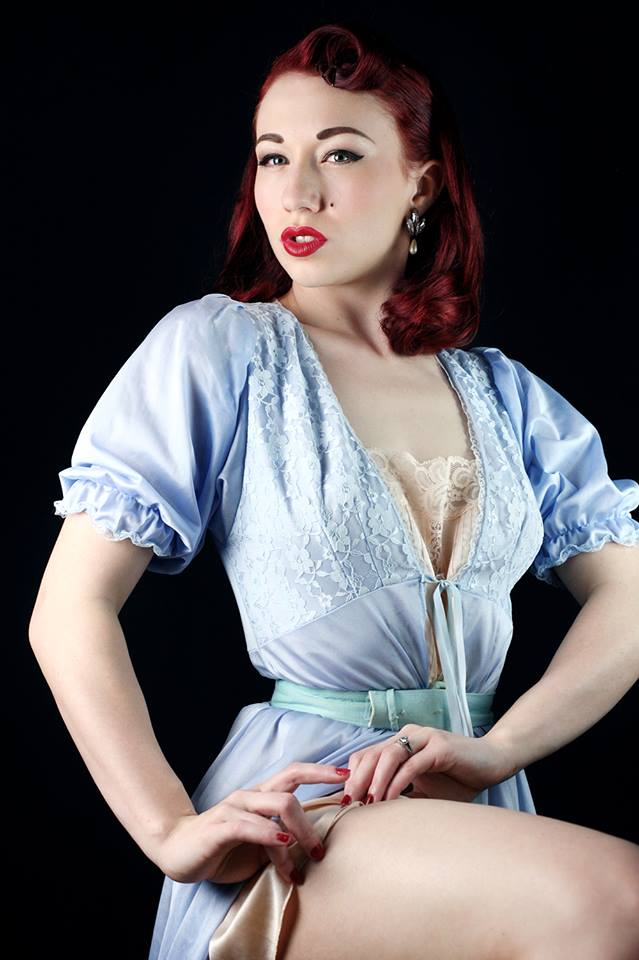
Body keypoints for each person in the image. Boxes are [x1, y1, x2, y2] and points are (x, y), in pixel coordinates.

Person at [30, 21, 639, 960]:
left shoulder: (505, 396)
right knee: (617, 903)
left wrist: (501, 747)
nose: (297, 191)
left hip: (474, 800)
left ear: (421, 185)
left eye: (340, 154)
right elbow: (68, 609)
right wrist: (167, 828)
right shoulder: (222, 349)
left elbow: (630, 597)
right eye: (273, 157)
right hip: (312, 812)